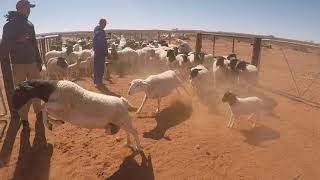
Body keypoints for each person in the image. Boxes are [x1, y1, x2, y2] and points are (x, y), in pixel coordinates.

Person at [0, 0, 43, 127]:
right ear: (20, 8)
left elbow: (34, 44)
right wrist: (17, 41)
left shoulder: (29, 24)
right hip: (18, 64)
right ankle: (24, 119)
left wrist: (39, 60)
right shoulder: (9, 26)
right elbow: (4, 47)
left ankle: (38, 112)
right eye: (27, 7)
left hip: (32, 62)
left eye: (29, 8)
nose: (29, 10)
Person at [93, 18, 108, 87]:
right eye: (104, 24)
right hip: (100, 52)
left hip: (97, 51)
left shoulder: (97, 30)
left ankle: (98, 81)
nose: (105, 25)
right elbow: (102, 43)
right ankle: (98, 82)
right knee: (100, 67)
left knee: (97, 67)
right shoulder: (101, 31)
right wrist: (106, 52)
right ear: (102, 24)